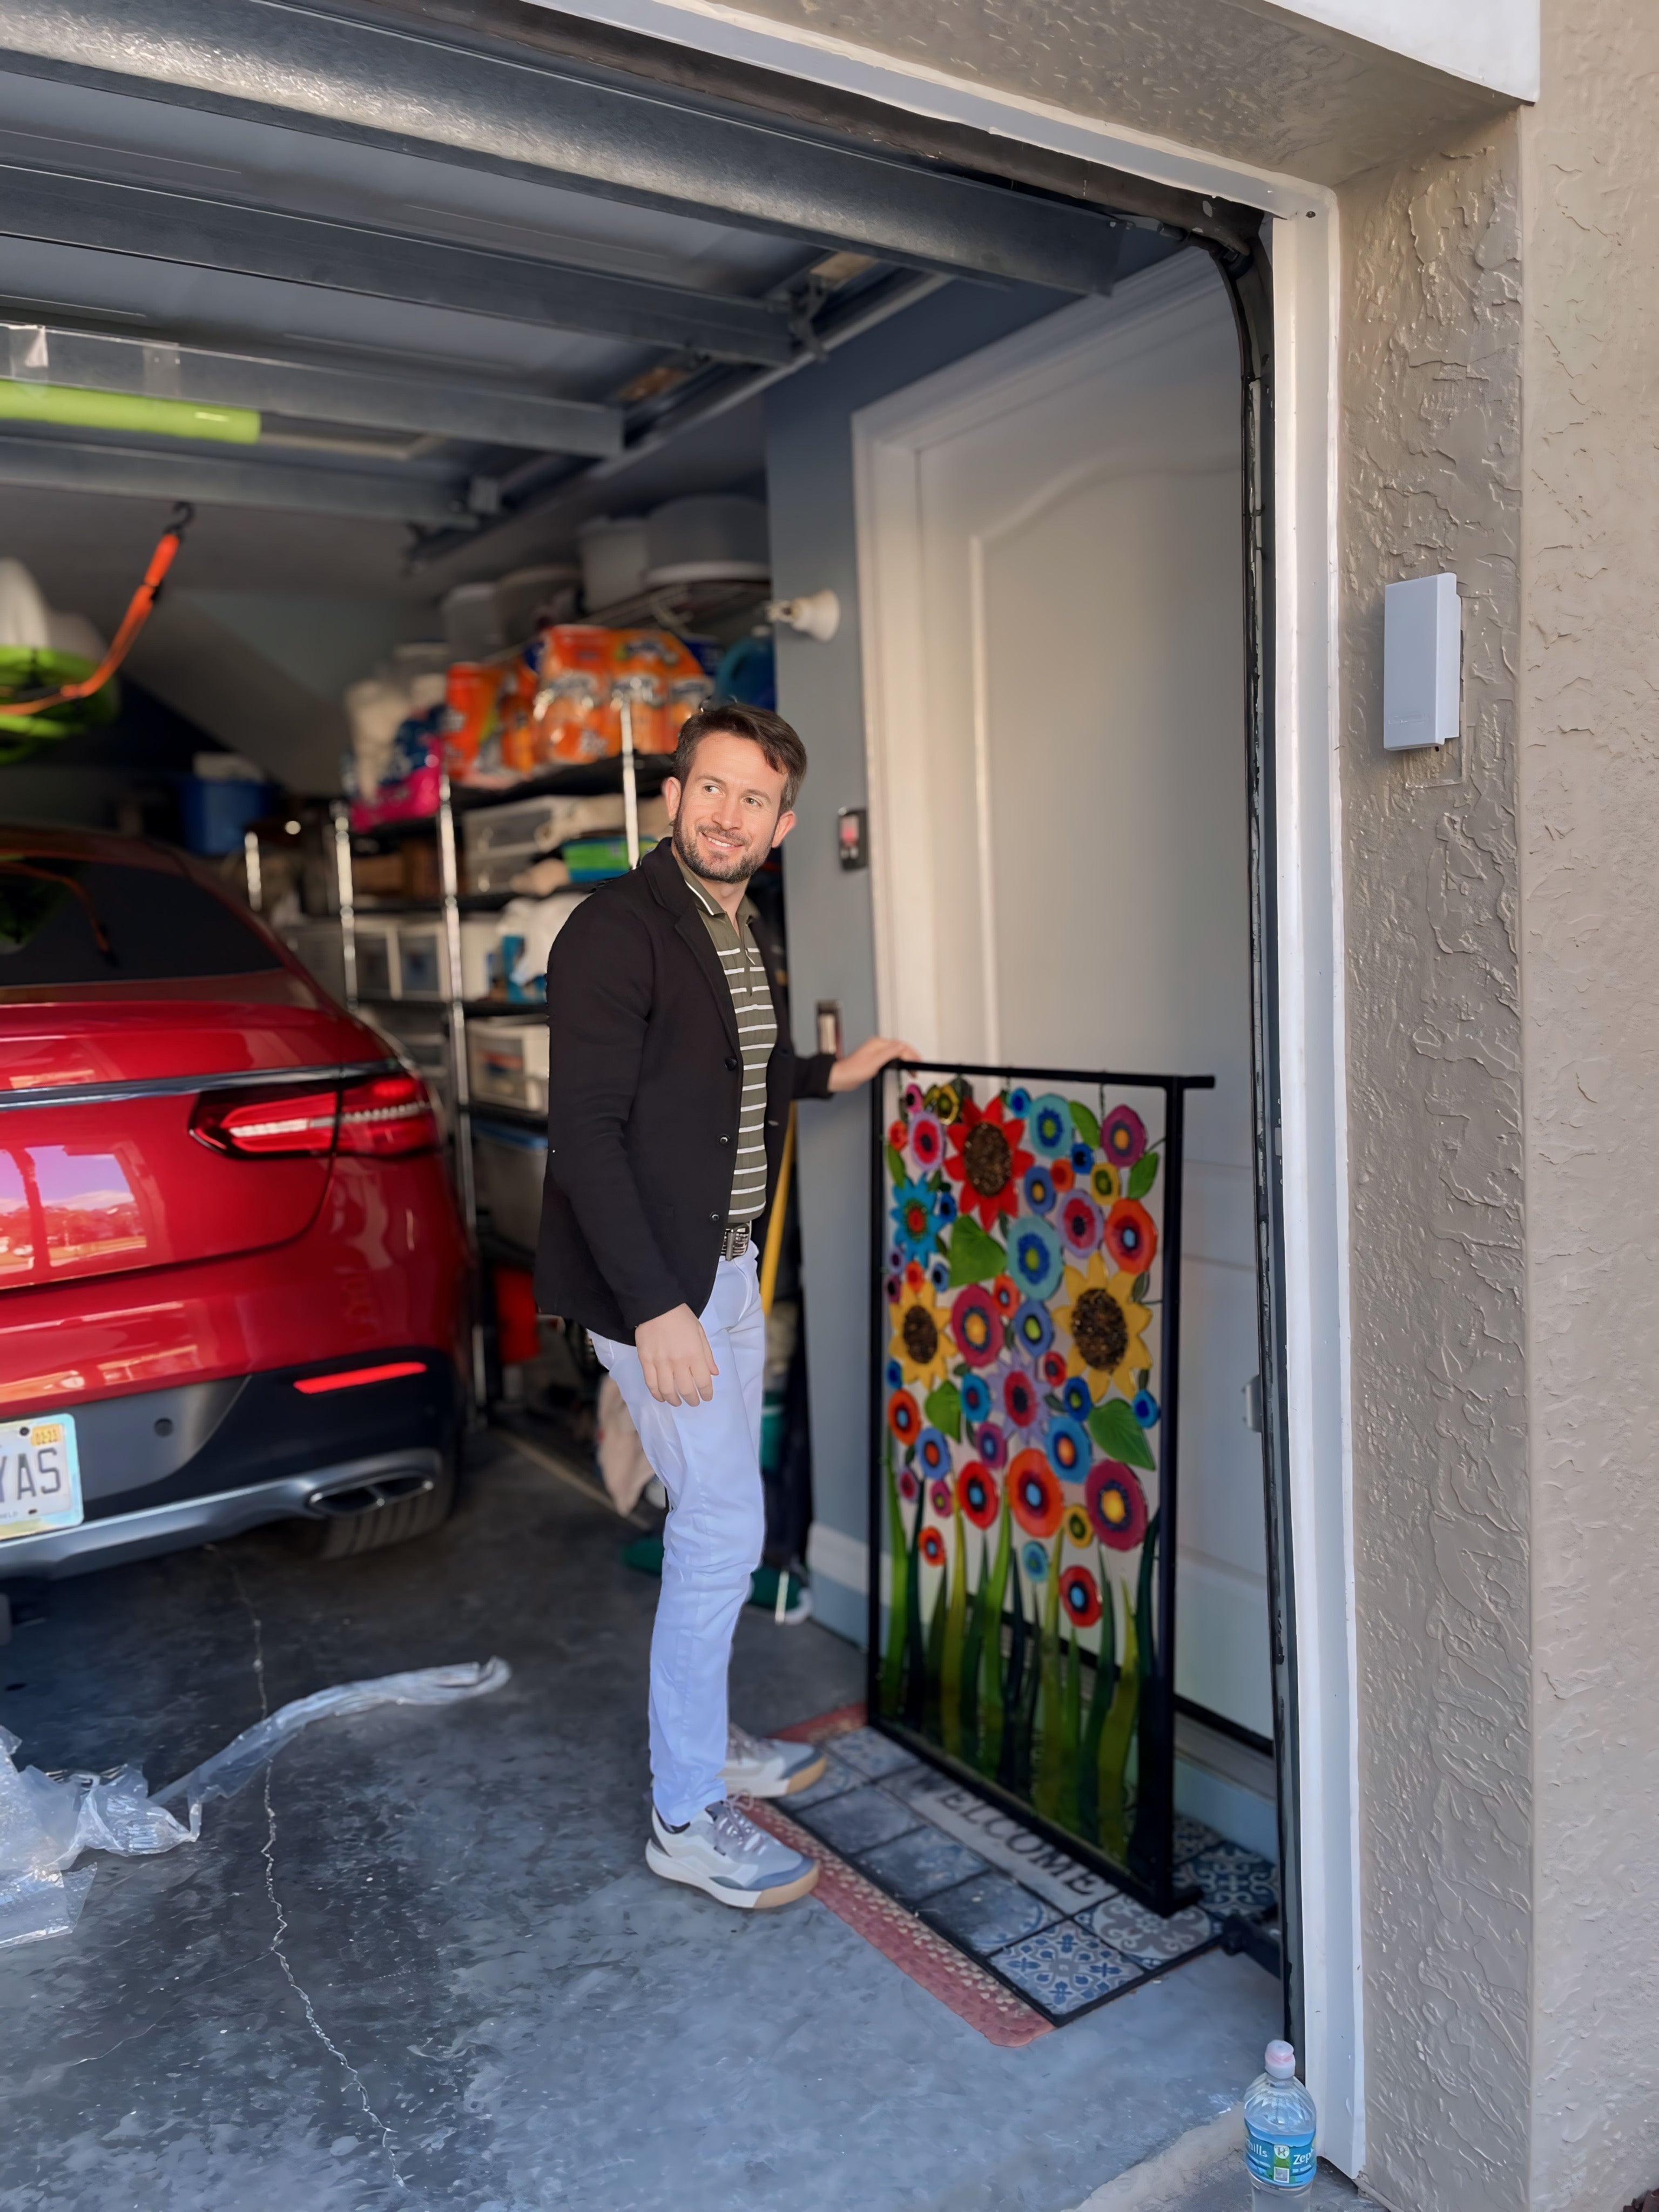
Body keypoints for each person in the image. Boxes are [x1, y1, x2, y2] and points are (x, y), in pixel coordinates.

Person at [535, 703, 915, 1910]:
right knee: (719, 1532)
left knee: (721, 1525)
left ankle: (703, 1742)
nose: (728, 814)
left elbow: (725, 1074)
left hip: (727, 1269)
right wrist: (656, 1310)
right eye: (712, 788)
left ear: (782, 825)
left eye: (754, 799)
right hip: (661, 1287)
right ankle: (686, 1812)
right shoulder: (616, 929)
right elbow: (588, 1133)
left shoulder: (739, 928)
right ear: (672, 796)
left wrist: (827, 1073)